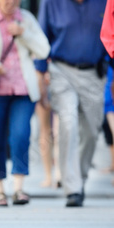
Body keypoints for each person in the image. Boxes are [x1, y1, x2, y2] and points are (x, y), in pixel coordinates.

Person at [0, 0, 50, 207]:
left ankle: (18, 188)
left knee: (21, 136)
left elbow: (43, 50)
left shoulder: (27, 19)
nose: (10, 3)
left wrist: (24, 33)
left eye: (15, 0)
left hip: (23, 90)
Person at [36, 0, 107, 207]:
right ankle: (72, 187)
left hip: (94, 73)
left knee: (92, 131)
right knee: (68, 122)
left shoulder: (104, 2)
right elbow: (42, 37)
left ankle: (80, 178)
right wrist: (40, 73)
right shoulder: (51, 3)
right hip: (62, 71)